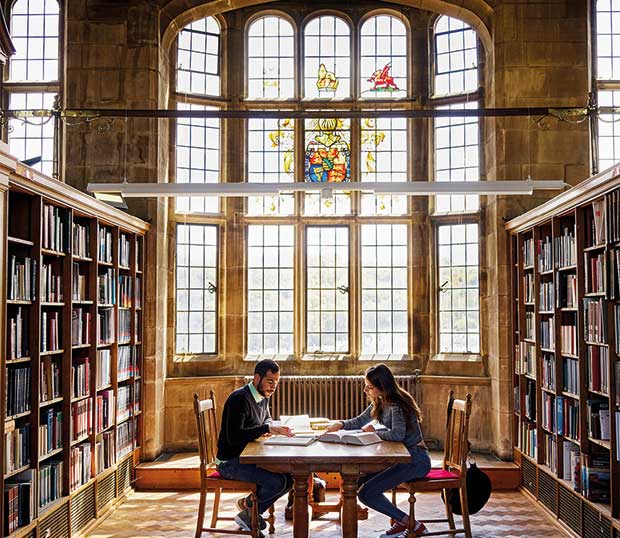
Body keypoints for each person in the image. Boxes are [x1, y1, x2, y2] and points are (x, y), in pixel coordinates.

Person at [324, 364, 431, 538]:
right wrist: (340, 425)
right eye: (366, 385)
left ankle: (410, 523)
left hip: (416, 460)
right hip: (403, 457)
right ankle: (401, 521)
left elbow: (397, 435)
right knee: (359, 481)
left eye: (370, 387)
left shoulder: (396, 404)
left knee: (367, 494)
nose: (365, 389)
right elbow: (359, 421)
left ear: (383, 387)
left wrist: (374, 432)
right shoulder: (381, 401)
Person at [216, 359, 294, 536]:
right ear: (257, 378)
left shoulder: (263, 396)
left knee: (289, 478)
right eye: (270, 381)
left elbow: (266, 418)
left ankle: (249, 507)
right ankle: (250, 514)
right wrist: (266, 428)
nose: (273, 387)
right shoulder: (239, 399)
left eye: (276, 382)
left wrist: (268, 426)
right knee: (278, 482)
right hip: (229, 462)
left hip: (247, 456)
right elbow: (233, 438)